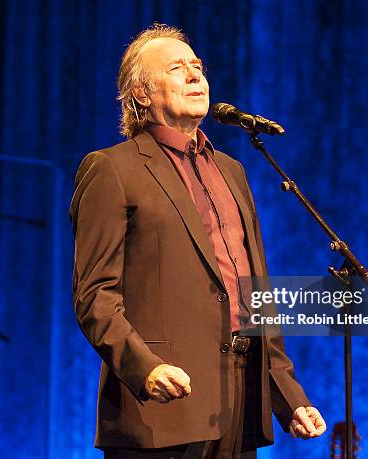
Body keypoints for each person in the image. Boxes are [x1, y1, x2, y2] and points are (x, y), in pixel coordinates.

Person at [70, 23, 326, 458]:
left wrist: (287, 394)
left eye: (198, 67)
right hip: (162, 406)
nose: (195, 76)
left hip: (238, 402)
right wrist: (144, 369)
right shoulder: (113, 169)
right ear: (141, 94)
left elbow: (254, 294)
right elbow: (94, 296)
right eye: (177, 68)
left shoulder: (231, 171)